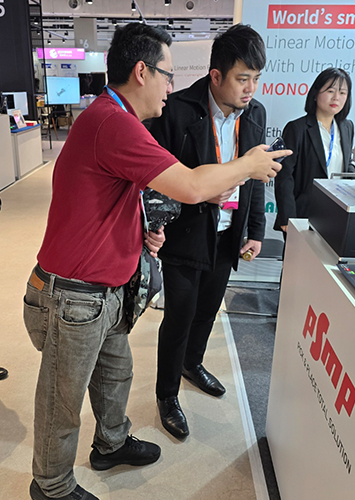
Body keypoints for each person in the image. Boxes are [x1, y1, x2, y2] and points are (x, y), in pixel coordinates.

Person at [24, 23, 288, 500]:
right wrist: (248, 165)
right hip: (74, 294)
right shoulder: (114, 123)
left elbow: (126, 191)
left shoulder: (115, 117)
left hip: (106, 288)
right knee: (62, 398)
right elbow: (190, 185)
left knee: (116, 374)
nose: (171, 86)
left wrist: (141, 228)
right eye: (167, 75)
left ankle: (111, 442)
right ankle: (51, 485)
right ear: (142, 72)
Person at [148, 24, 267, 439]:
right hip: (185, 234)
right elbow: (156, 180)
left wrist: (255, 229)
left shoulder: (256, 113)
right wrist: (199, 192)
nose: (250, 89)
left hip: (228, 233)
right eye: (242, 78)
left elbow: (256, 177)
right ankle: (166, 394)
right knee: (178, 317)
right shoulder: (177, 110)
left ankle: (192, 363)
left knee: (208, 310)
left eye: (255, 79)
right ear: (216, 75)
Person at [274, 68, 355, 236]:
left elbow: (346, 165)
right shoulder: (297, 128)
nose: (336, 97)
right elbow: (284, 176)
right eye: (330, 91)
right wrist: (287, 218)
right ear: (315, 93)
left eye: (342, 93)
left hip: (337, 213)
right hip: (303, 214)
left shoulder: (347, 127)